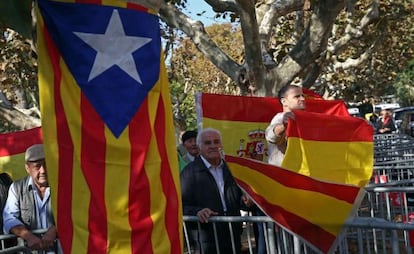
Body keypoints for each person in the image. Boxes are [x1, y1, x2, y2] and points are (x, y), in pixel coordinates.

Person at [180, 128, 253, 254]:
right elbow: (179, 205)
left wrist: (246, 202)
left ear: (221, 145)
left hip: (232, 236)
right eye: (208, 143)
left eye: (216, 142)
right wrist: (197, 211)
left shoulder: (231, 169)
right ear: (199, 147)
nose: (213, 146)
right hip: (205, 239)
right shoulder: (189, 173)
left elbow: (238, 200)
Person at [2, 144, 58, 252]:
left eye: (46, 164)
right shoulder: (16, 188)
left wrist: (55, 230)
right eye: (37, 166)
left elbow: (76, 214)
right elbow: (9, 219)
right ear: (27, 168)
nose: (43, 170)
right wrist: (28, 236)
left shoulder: (62, 185)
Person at [265, 84, 306, 166]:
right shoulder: (280, 117)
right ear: (284, 101)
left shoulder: (303, 120)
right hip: (282, 174)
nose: (303, 99)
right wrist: (283, 126)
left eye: (302, 95)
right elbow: (271, 136)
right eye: (297, 96)